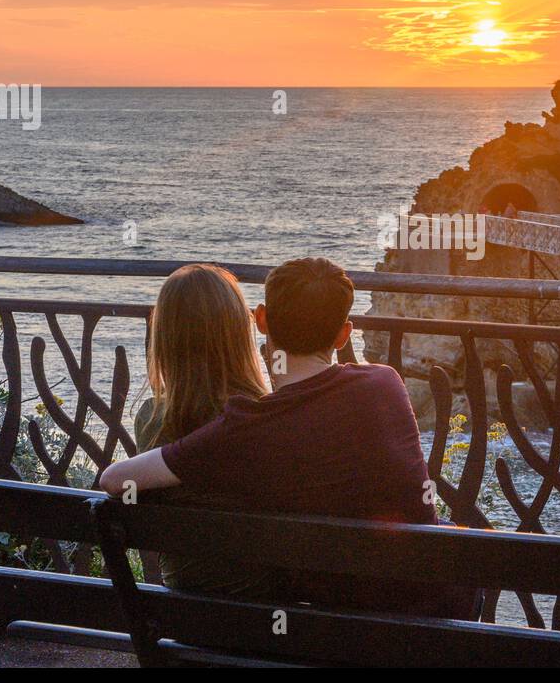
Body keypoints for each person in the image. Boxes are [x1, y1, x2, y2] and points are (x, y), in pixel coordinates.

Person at [100, 256, 477, 619]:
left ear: (261, 320)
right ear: (346, 332)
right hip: (422, 617)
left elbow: (116, 480)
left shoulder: (235, 426)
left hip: (261, 627)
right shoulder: (385, 382)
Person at [131, 264, 268, 592]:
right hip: (270, 618)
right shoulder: (266, 416)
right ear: (239, 333)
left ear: (164, 337)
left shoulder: (152, 418)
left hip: (184, 615)